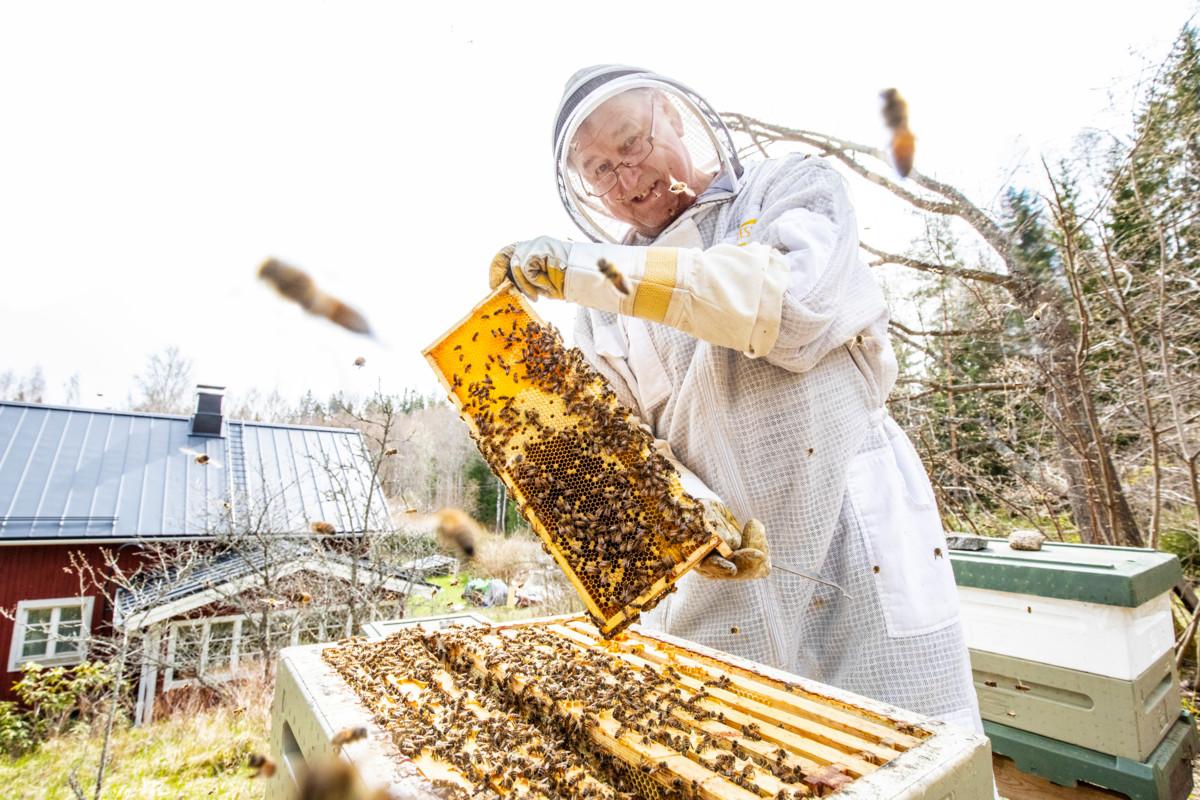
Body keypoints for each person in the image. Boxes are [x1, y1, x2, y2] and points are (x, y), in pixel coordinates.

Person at [490, 65, 983, 734]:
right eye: (599, 170)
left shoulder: (789, 188)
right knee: (744, 755)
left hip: (850, 532)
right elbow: (619, 463)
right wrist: (690, 518)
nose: (626, 179)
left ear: (672, 116)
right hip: (722, 576)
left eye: (632, 143)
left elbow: (786, 310)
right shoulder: (601, 315)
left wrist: (587, 271)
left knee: (908, 755)